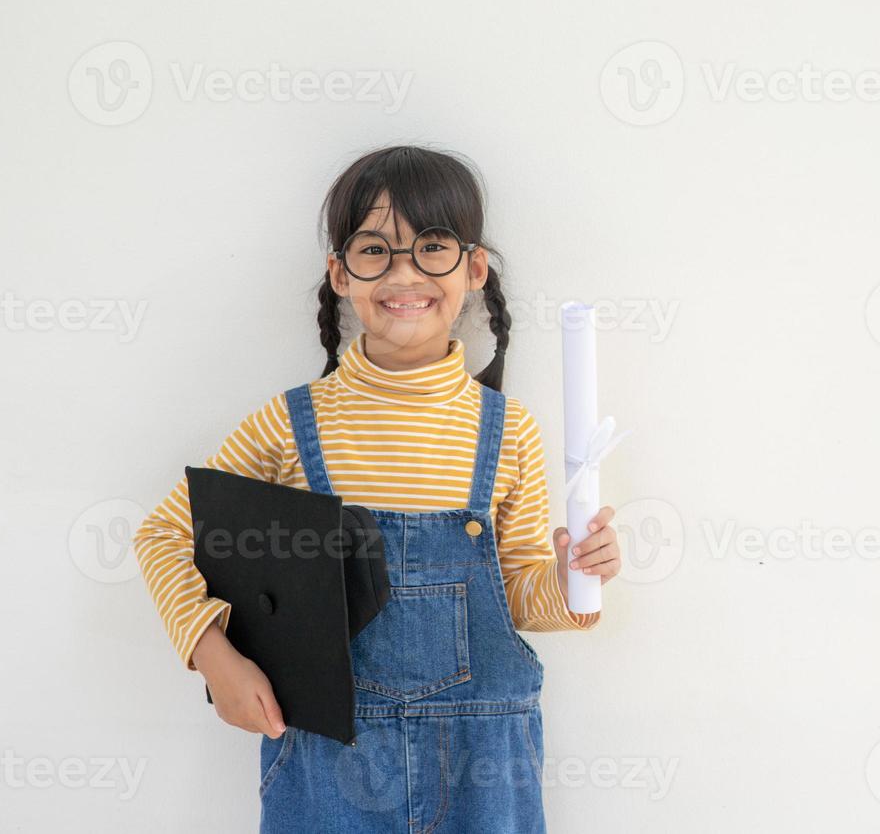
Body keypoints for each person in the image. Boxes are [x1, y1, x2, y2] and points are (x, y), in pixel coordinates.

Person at [131, 144, 620, 832]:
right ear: (340, 273)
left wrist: (574, 580)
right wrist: (217, 660)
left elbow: (515, 593)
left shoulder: (507, 431)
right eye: (374, 251)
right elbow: (162, 534)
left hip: (483, 768)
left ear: (474, 268)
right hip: (327, 765)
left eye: (433, 247)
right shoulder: (290, 424)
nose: (404, 273)